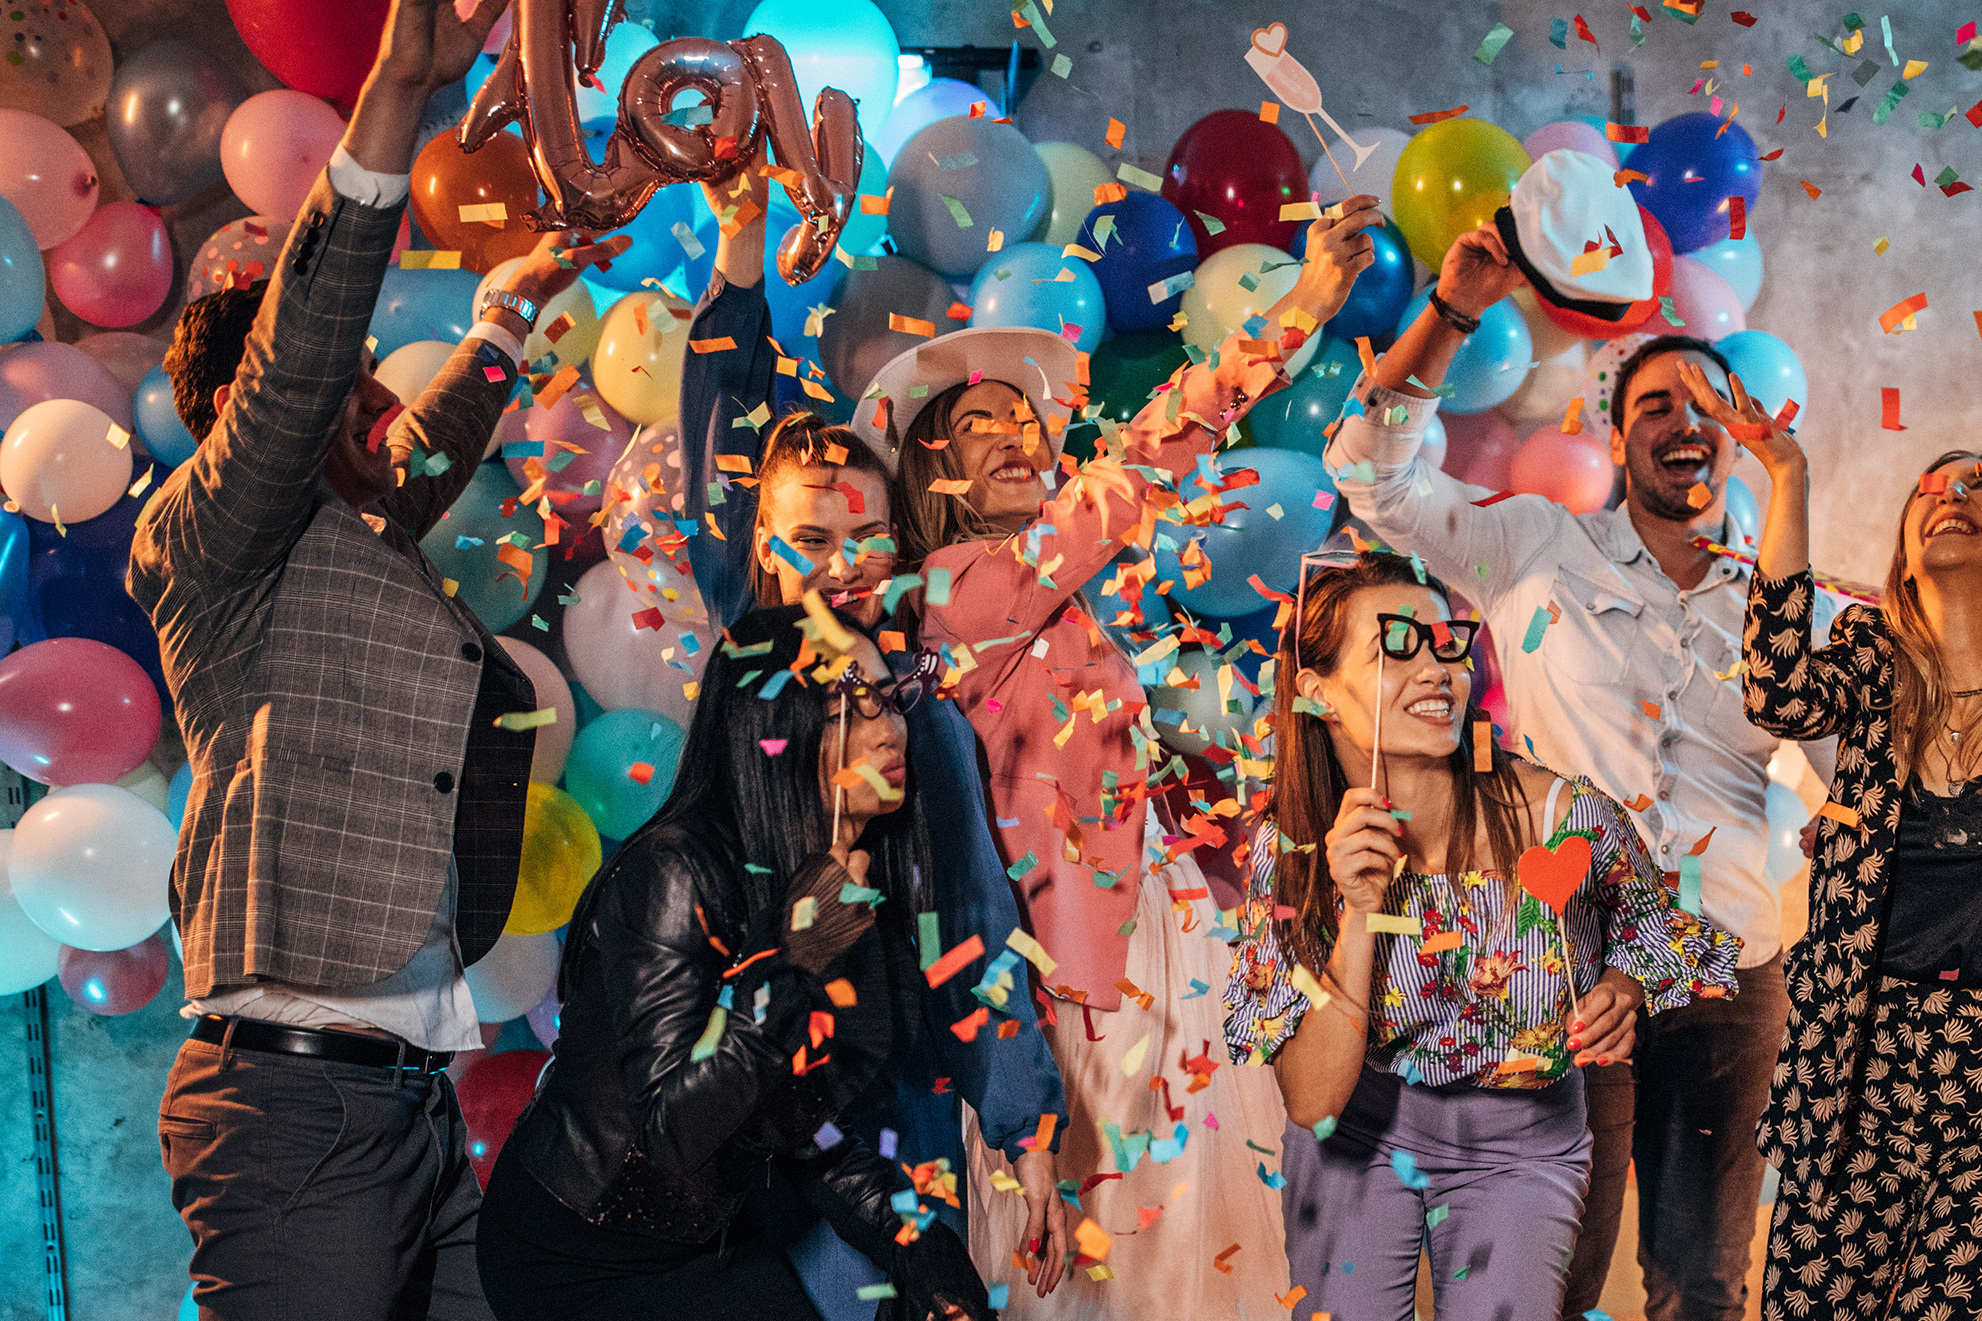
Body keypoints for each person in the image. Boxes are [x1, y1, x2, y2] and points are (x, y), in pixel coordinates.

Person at [126, 4, 625, 1316]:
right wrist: (396, 91)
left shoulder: (349, 527)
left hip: (403, 1099)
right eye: (350, 389)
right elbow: (300, 371)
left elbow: (422, 454)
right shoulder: (210, 537)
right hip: (290, 1109)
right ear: (256, 416)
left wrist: (506, 322)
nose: (379, 411)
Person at [857, 197, 1383, 1317]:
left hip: (1169, 953)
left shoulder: (1046, 600)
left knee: (1203, 1268)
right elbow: (1142, 460)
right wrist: (1295, 313)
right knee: (1107, 1284)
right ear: (925, 464)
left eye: (1026, 423)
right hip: (1070, 996)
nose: (1015, 438)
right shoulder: (952, 598)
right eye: (978, 423)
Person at [1324, 221, 1838, 1321]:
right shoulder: (1533, 545)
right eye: (1653, 405)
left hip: (1726, 973)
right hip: (1557, 972)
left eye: (1706, 404)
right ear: (1614, 437)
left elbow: (1861, 776)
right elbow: (1368, 473)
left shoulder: (1785, 607)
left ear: (1738, 437)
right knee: (1538, 1279)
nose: (1682, 421)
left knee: (1699, 1285)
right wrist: (1452, 311)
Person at [675, 153, 1071, 1306]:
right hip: (727, 1102)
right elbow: (723, 437)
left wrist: (1025, 1131)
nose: (836, 570)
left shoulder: (923, 720)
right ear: (759, 549)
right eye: (806, 538)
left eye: (863, 542)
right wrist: (739, 251)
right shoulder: (746, 652)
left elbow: (976, 925)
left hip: (885, 1116)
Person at [1224, 549, 1741, 1321]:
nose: (1436, 667)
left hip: (1524, 1143)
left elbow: (1656, 929)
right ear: (1317, 691)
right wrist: (1359, 907)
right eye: (1397, 644)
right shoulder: (1290, 851)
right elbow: (1312, 1099)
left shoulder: (1562, 817)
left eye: (1444, 642)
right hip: (1356, 1133)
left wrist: (1622, 986)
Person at [476, 603, 991, 1321]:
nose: (888, 726)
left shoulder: (843, 884)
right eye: (853, 699)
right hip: (574, 1253)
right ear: (774, 718)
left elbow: (805, 1126)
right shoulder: (679, 871)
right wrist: (797, 958)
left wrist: (920, 1245)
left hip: (698, 1240)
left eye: (889, 695)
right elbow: (672, 1126)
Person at [1705, 355, 1982, 1312]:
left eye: (1979, 484)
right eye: (1933, 488)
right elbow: (1775, 689)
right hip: (1858, 1057)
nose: (1953, 493)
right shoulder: (1871, 662)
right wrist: (1791, 476)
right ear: (1904, 542)